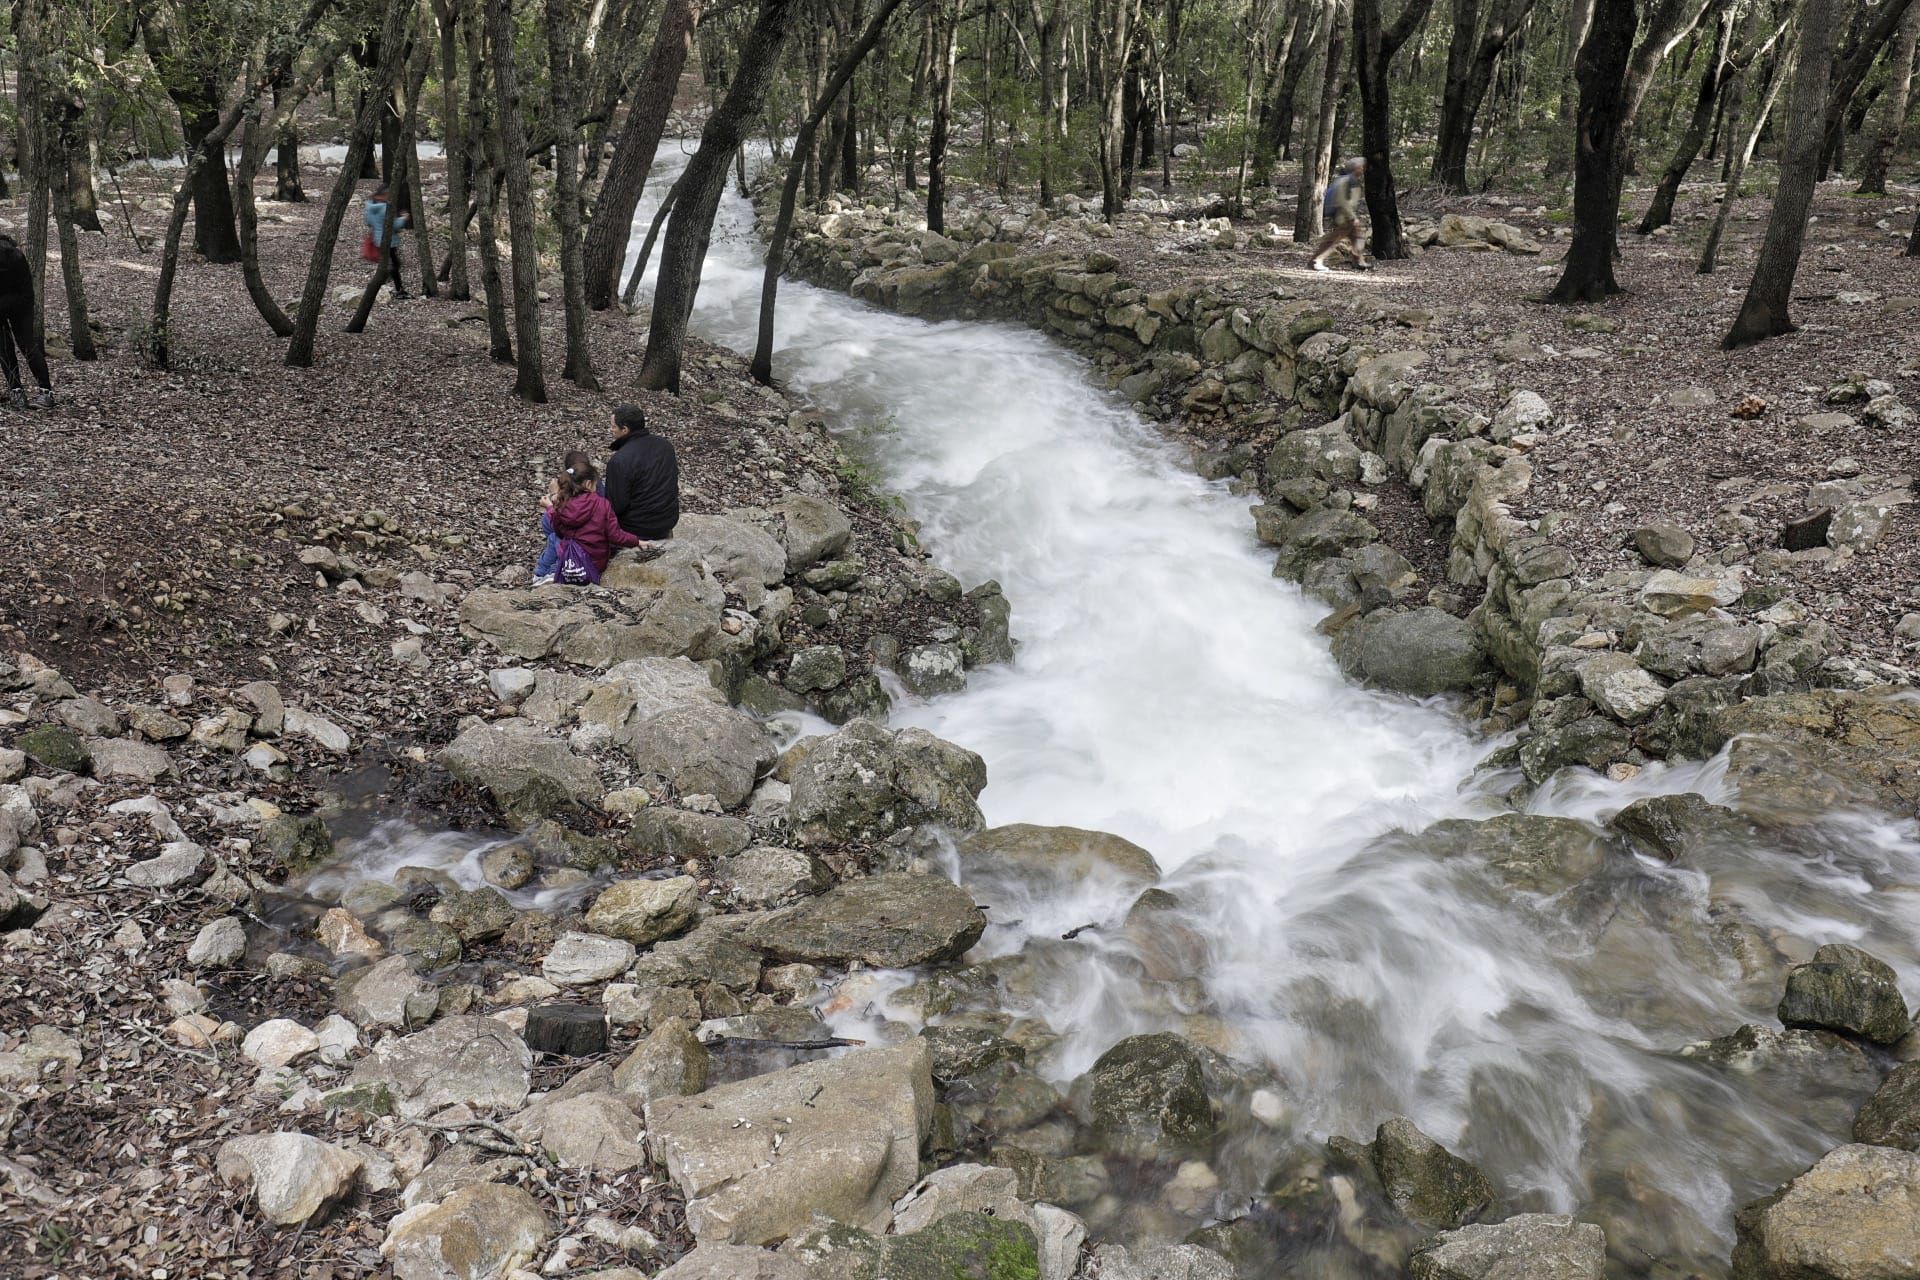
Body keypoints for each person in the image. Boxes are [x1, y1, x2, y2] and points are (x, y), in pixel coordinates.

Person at [534, 452, 638, 585]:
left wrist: (553, 502)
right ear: (589, 484)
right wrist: (636, 541)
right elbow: (615, 535)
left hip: (574, 558)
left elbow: (559, 531)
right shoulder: (602, 503)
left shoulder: (562, 504)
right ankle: (552, 570)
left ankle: (543, 573)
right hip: (594, 563)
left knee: (554, 536)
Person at [603, 404, 679, 541]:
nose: (611, 430)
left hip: (637, 527)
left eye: (613, 426)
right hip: (667, 520)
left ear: (625, 429)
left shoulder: (619, 460)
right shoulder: (666, 446)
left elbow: (616, 506)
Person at [0, 234, 54, 409]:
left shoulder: (14, 257)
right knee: (4, 348)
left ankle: (46, 393)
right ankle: (16, 392)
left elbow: (26, 294)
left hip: (21, 305)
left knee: (27, 346)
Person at [1312, 158, 1371, 273]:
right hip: (1344, 217)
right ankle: (1316, 260)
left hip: (1347, 216)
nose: (1363, 169)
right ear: (1355, 168)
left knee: (1358, 237)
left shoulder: (1351, 180)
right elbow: (1342, 200)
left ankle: (1358, 260)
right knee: (1334, 240)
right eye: (1361, 167)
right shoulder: (1346, 181)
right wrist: (1352, 217)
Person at [364, 185, 410, 299]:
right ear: (384, 195)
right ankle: (398, 290)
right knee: (395, 265)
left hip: (377, 239)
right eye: (388, 195)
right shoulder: (385, 208)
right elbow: (394, 225)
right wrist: (404, 218)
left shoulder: (370, 205)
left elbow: (369, 222)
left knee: (388, 264)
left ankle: (385, 285)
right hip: (389, 241)